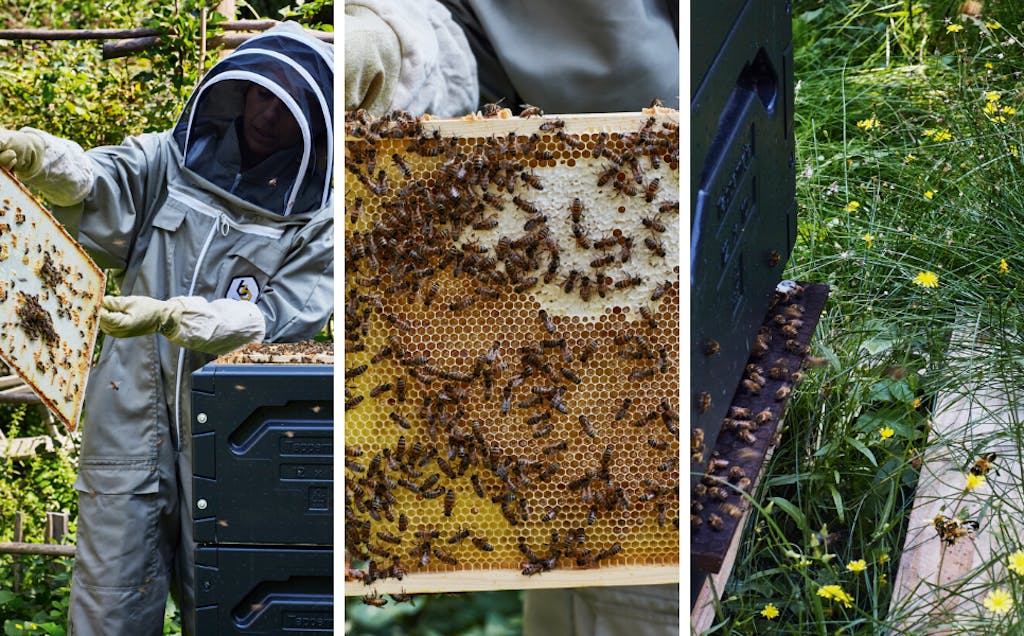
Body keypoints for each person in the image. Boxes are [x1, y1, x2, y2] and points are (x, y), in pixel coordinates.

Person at [345, 2, 680, 634]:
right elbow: (462, 49)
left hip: (682, 325)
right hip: (557, 423)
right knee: (573, 562)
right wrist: (392, 41)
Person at [0, 21, 333, 635]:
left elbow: (287, 314)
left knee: (240, 604)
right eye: (262, 95)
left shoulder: (316, 219)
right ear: (240, 91)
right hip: (130, 416)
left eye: (286, 106)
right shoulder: (170, 160)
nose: (266, 116)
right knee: (109, 606)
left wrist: (181, 317)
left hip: (240, 437)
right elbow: (99, 183)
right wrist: (41, 156)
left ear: (314, 120)